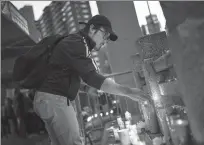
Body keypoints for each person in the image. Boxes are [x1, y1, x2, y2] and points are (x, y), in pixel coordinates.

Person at [33, 14, 150, 145]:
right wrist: (128, 91)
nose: (105, 41)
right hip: (55, 99)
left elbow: (65, 74)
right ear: (92, 28)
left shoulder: (76, 43)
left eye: (108, 39)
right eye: (105, 35)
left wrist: (87, 88)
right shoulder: (77, 43)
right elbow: (93, 77)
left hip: (47, 98)